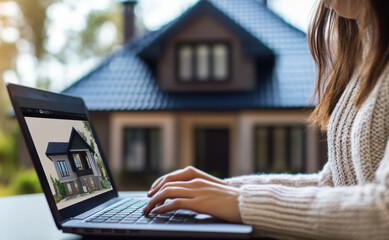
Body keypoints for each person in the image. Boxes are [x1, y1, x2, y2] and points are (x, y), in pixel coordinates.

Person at [143, 0, 389, 239]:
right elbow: (333, 186)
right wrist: (226, 190)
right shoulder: (364, 52)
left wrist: (239, 201)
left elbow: (384, 210)